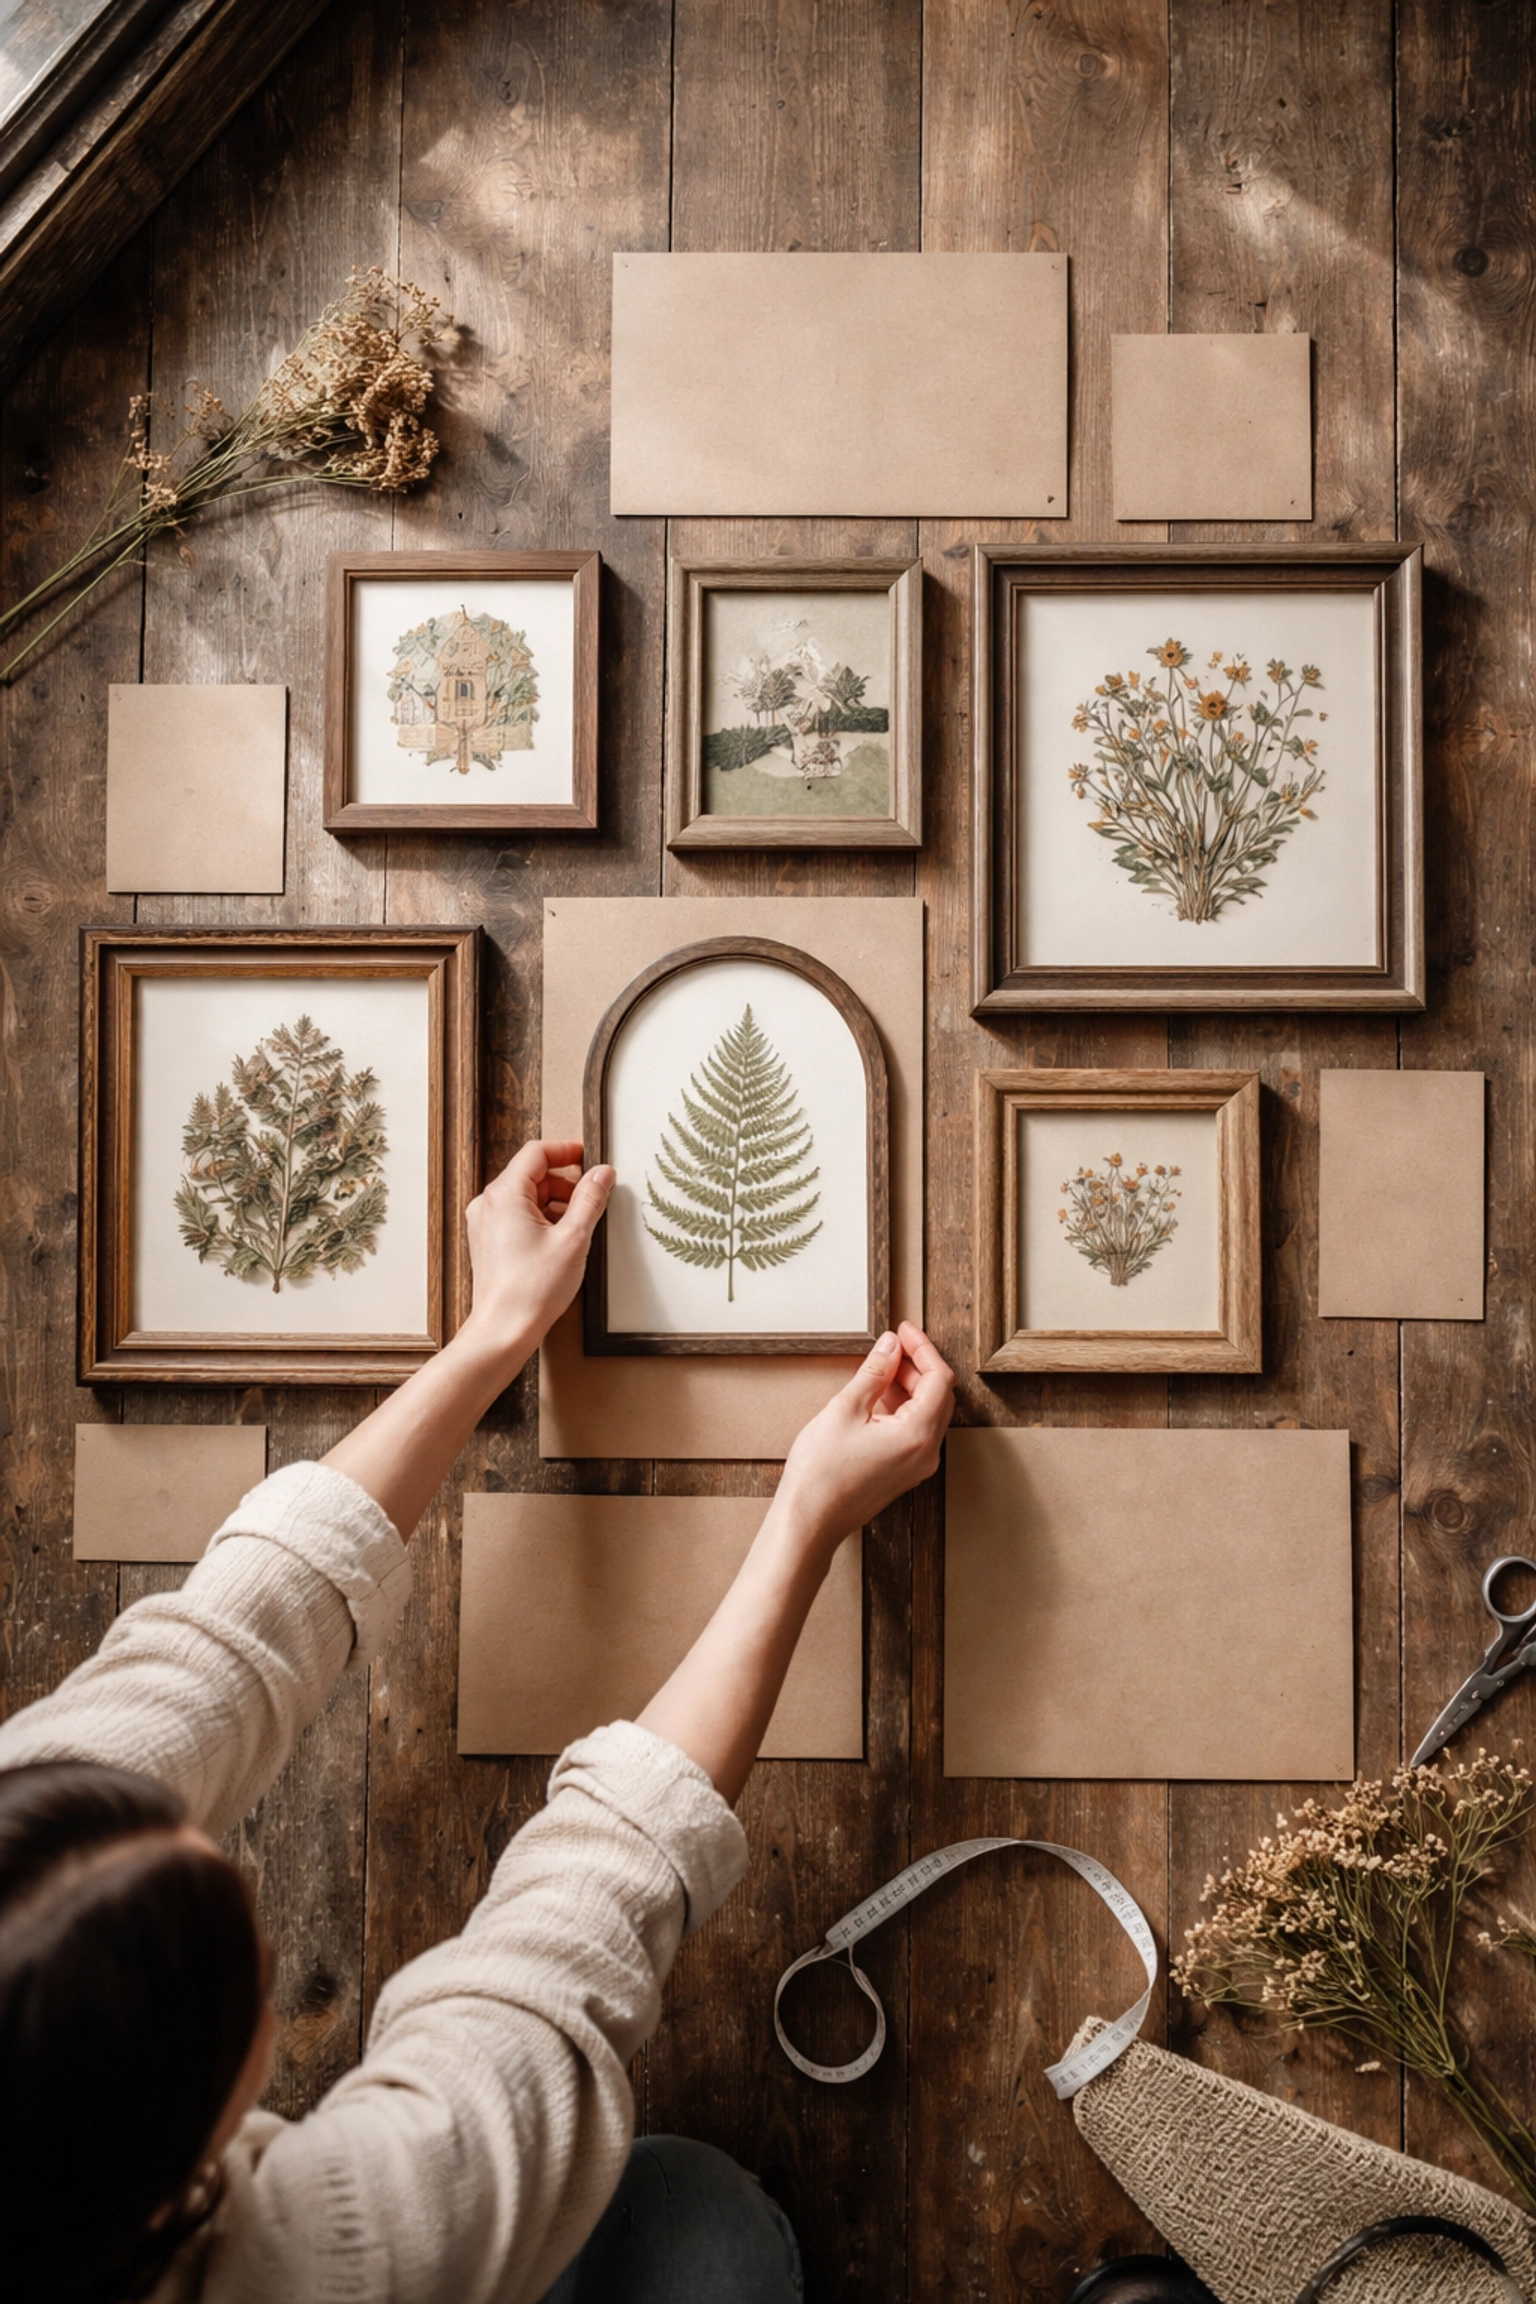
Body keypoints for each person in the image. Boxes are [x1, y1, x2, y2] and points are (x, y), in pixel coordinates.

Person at [0, 1140, 955, 2304]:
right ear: (194, 2138)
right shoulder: (323, 2266)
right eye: (241, 1956)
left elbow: (225, 1642)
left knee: (679, 2209)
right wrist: (809, 1514)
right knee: (709, 2240)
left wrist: (496, 1329)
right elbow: (578, 1922)